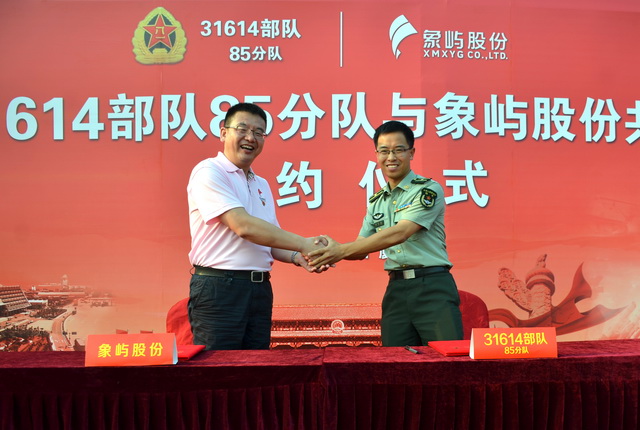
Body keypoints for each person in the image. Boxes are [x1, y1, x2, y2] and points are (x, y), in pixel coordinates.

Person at [308, 120, 463, 347]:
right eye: (384, 151)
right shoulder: (377, 202)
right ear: (377, 155)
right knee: (394, 360)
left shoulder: (428, 190)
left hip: (432, 286)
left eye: (399, 150)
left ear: (411, 153)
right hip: (396, 291)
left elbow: (400, 233)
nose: (391, 157)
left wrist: (339, 251)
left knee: (445, 358)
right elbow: (360, 248)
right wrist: (326, 252)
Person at [187, 102, 326, 350]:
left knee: (257, 366)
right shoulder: (209, 172)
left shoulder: (260, 183)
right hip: (220, 289)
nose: (250, 138)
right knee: (220, 368)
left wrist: (299, 256)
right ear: (223, 133)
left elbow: (270, 241)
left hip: (259, 290)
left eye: (259, 132)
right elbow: (244, 227)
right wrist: (304, 243)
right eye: (242, 129)